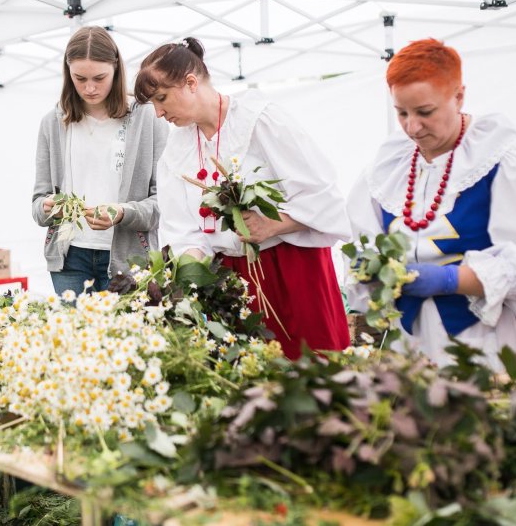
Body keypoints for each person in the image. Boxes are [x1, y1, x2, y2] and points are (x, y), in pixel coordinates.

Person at [345, 38, 516, 375]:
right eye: (401, 113)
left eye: (425, 112)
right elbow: (362, 242)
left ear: (459, 97)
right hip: (413, 341)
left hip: (490, 339)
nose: (412, 127)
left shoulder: (505, 159)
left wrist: (451, 279)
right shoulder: (389, 166)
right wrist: (369, 269)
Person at [134, 37, 351, 359]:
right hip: (234, 282)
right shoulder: (177, 151)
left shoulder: (259, 119)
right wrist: (186, 272)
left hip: (293, 268)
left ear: (191, 83)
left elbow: (323, 194)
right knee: (252, 382)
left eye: (162, 98)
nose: (159, 112)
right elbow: (182, 227)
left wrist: (273, 224)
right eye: (152, 103)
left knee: (313, 372)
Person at [32, 26, 169, 294]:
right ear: (67, 73)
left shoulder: (147, 118)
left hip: (129, 260)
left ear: (116, 69)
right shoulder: (52, 123)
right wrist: (49, 207)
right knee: (74, 336)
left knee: (126, 335)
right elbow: (37, 205)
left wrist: (123, 213)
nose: (90, 88)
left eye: (99, 77)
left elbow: (164, 202)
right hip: (69, 259)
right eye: (79, 78)